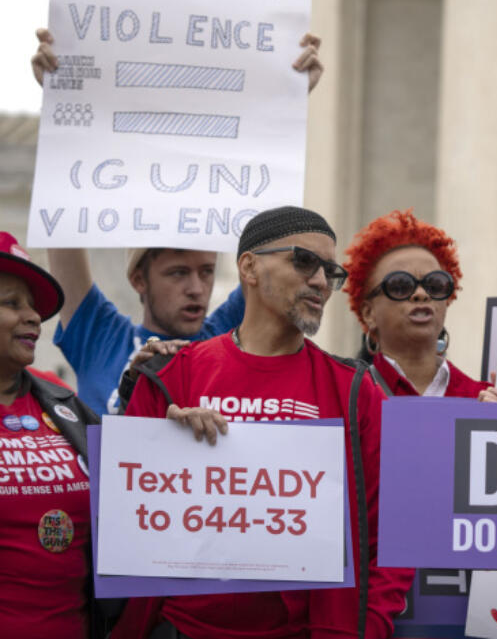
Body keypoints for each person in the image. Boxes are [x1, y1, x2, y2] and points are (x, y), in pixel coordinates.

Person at [113, 206, 414, 639]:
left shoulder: (354, 390)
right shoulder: (171, 377)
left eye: (331, 271)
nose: (320, 282)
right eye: (304, 261)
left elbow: (393, 532)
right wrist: (163, 443)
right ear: (249, 267)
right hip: (180, 629)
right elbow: (122, 523)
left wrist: (365, 627)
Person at [31, 27, 325, 415]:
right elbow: (64, 230)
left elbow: (270, 232)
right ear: (139, 278)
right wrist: (61, 99)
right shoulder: (101, 337)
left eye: (206, 272)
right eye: (177, 273)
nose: (196, 288)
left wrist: (287, 102)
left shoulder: (224, 333)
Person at [0, 231, 105, 639]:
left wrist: (159, 395)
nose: (33, 317)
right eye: (12, 303)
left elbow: (137, 488)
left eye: (33, 307)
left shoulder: (65, 405)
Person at [343, 209, 497, 400]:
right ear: (369, 313)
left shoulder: (484, 400)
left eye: (435, 285)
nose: (421, 294)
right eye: (400, 286)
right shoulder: (344, 400)